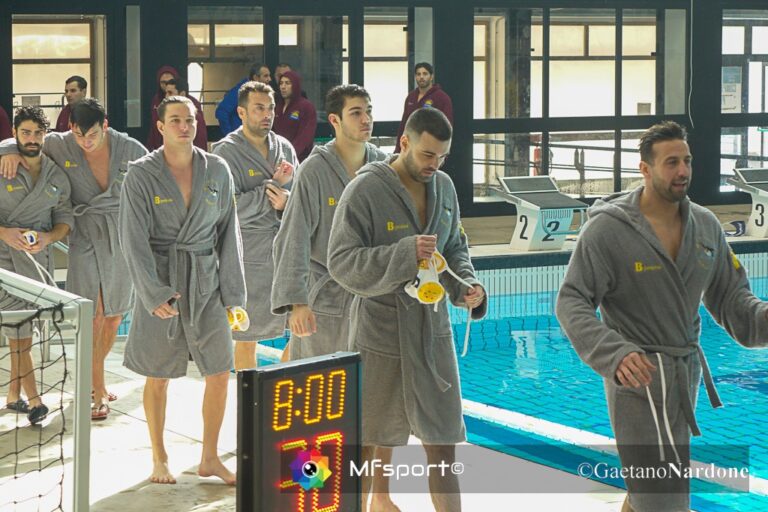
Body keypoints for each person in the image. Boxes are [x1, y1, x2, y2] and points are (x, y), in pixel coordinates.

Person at [556, 121, 768, 512]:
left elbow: (735, 301)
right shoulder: (608, 231)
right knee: (661, 499)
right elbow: (571, 300)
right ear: (645, 169)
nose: (683, 171)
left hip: (681, 379)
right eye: (671, 162)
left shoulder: (705, 227)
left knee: (653, 494)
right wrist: (614, 354)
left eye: (686, 161)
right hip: (636, 381)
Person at [327, 107, 486, 512]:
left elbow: (454, 248)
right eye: (427, 155)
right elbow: (341, 262)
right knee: (369, 440)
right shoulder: (365, 190)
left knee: (444, 441)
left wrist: (466, 287)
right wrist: (402, 254)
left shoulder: (445, 188)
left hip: (431, 332)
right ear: (404, 143)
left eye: (442, 157)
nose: (435, 165)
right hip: (381, 331)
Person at [119, 96, 246, 485]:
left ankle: (210, 457)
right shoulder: (141, 174)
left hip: (206, 280)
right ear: (160, 126)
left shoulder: (217, 169)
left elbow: (229, 233)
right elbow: (132, 239)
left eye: (189, 119)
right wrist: (152, 293)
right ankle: (159, 457)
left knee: (220, 370)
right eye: (175, 120)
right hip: (162, 279)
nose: (184, 126)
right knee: (158, 375)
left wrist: (235, 296)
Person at [0, 98, 147, 421]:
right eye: (79, 135)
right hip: (84, 236)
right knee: (91, 313)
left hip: (120, 235)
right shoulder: (60, 144)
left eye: (92, 134)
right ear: (71, 129)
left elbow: (153, 180)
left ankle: (94, 378)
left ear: (105, 126)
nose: (85, 142)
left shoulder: (131, 149)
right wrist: (7, 150)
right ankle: (95, 388)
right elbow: (25, 138)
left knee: (114, 315)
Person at [272, 84, 387, 362]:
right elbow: (293, 236)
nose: (366, 119)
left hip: (373, 298)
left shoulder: (383, 166)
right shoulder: (314, 170)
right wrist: (297, 303)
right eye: (356, 113)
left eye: (368, 112)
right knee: (320, 386)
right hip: (326, 299)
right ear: (335, 120)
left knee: (370, 387)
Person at [211, 81, 296, 370]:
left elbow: (298, 196)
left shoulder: (283, 146)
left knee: (299, 331)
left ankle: (278, 395)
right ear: (242, 112)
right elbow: (226, 207)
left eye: (270, 108)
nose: (267, 114)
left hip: (284, 252)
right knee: (246, 335)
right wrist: (271, 188)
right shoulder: (225, 152)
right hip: (248, 254)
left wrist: (288, 201)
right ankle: (249, 403)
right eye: (259, 108)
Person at [0, 106, 73, 425]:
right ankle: (35, 400)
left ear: (46, 135)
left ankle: (13, 395)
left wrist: (47, 238)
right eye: (25, 132)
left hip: (38, 261)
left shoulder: (56, 175)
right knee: (19, 331)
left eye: (38, 133)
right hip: (4, 260)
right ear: (15, 133)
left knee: (24, 332)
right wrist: (4, 232)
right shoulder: (3, 165)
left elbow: (66, 219)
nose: (32, 139)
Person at [394, 63, 453, 153]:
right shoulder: (411, 97)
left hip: (430, 149)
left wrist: (442, 153)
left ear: (431, 76)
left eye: (425, 74)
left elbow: (447, 127)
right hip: (411, 148)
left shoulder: (442, 98)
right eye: (418, 74)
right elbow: (404, 124)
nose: (421, 77)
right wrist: (398, 149)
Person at [147, 65, 207, 151]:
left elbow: (200, 139)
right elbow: (153, 130)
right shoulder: (156, 101)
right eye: (163, 82)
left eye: (170, 93)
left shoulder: (194, 109)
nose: (166, 96)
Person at [215, 63, 272, 136]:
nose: (269, 79)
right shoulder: (241, 91)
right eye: (266, 76)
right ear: (256, 78)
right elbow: (221, 112)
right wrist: (230, 136)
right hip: (240, 141)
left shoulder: (261, 93)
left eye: (269, 75)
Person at [273, 70, 316, 162]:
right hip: (277, 159)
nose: (283, 87)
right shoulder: (276, 106)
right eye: (281, 83)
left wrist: (289, 156)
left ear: (295, 85)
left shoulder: (306, 106)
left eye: (287, 83)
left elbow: (305, 136)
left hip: (299, 159)